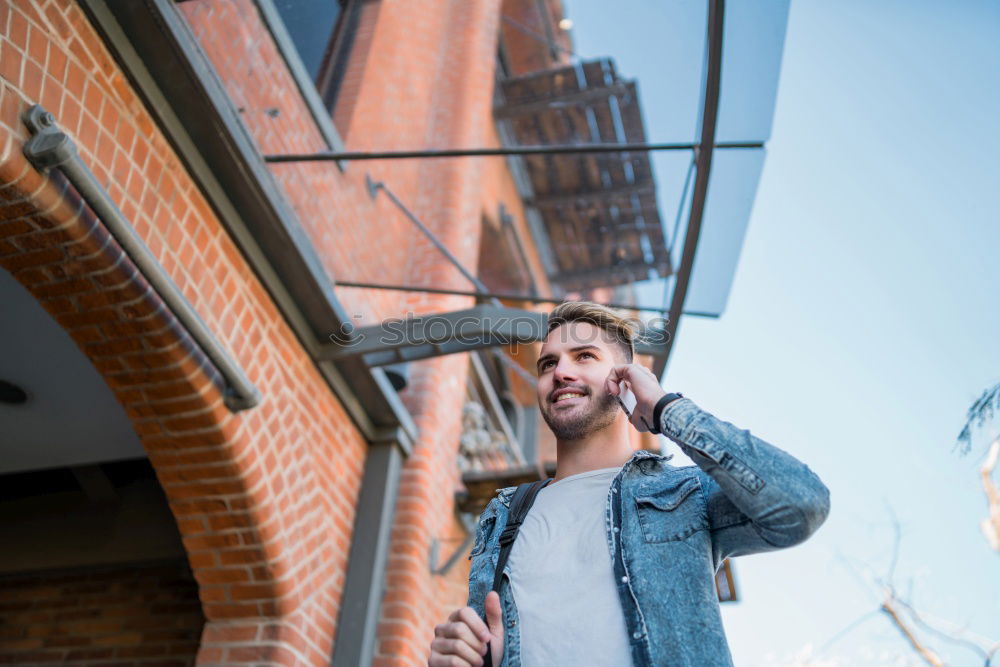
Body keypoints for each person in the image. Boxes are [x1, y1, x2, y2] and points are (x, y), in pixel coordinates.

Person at [428, 302, 830, 666]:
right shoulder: (505, 514)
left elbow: (801, 505)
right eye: (548, 364)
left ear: (626, 380)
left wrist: (666, 410)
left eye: (584, 356)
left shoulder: (683, 495)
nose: (561, 372)